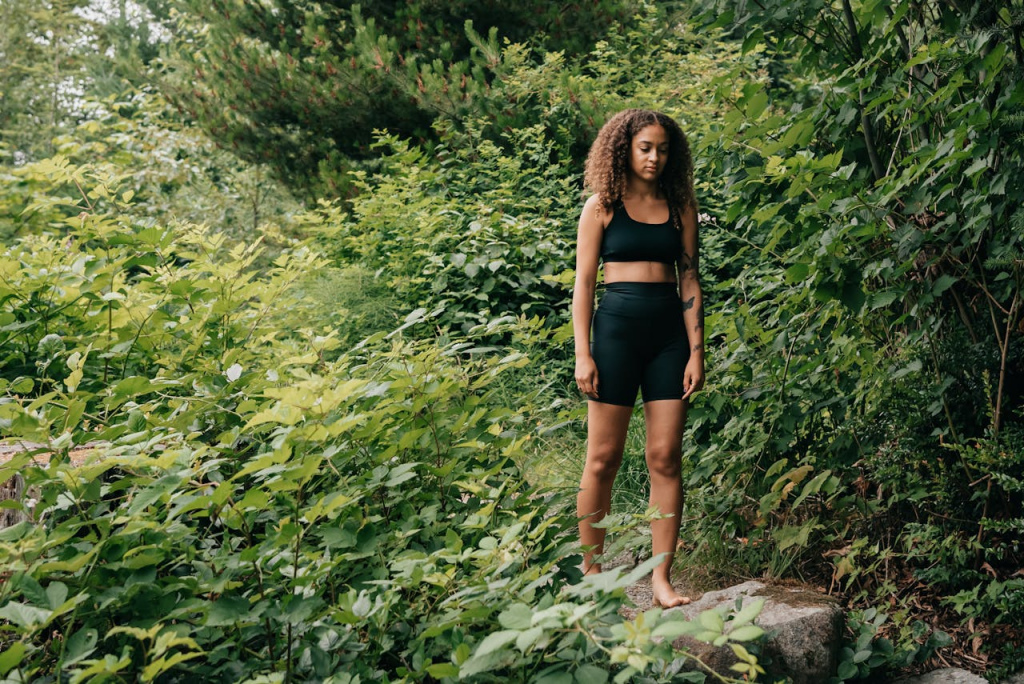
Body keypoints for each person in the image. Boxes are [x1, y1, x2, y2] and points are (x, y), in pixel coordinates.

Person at [572, 109, 705, 608]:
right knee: (603, 459)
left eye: (663, 148)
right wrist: (583, 354)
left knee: (665, 458)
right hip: (615, 338)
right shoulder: (602, 207)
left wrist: (697, 351)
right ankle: (591, 574)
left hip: (669, 339)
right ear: (624, 148)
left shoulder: (680, 207)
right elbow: (583, 285)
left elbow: (689, 280)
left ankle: (660, 579)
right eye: (645, 147)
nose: (654, 157)